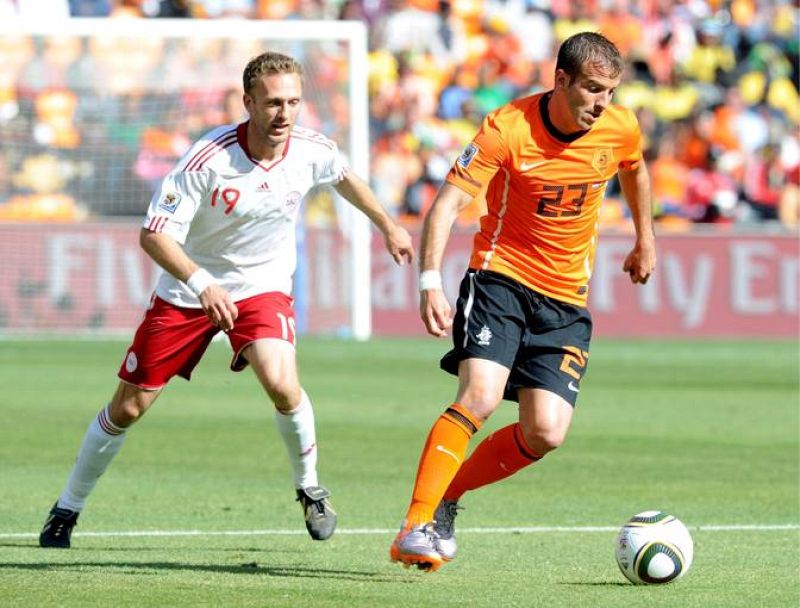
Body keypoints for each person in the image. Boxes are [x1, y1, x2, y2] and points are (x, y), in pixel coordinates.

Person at [39, 51, 414, 549]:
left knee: (282, 383)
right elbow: (154, 235)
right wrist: (201, 283)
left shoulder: (311, 148)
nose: (284, 114)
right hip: (188, 290)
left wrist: (388, 225)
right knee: (129, 408)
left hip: (263, 285)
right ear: (248, 102)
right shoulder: (208, 159)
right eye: (273, 103)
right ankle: (67, 508)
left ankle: (310, 488)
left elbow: (343, 177)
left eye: (293, 102)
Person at [389, 32, 656, 571]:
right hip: (500, 281)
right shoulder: (506, 129)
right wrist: (429, 281)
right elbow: (447, 205)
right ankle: (415, 524)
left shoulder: (619, 127)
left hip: (565, 301)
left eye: (610, 91)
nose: (601, 103)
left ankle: (446, 500)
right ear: (561, 80)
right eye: (592, 90)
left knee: (546, 432)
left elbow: (635, 169)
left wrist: (645, 238)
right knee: (480, 398)